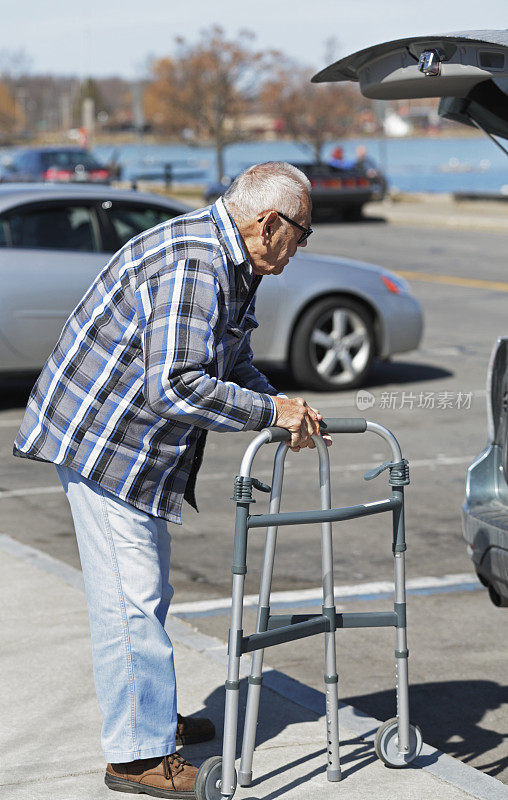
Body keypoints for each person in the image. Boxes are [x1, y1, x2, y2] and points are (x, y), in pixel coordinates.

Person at [13, 161, 330, 798]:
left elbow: (231, 360)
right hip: (104, 443)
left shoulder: (234, 263)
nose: (301, 247)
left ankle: (148, 715)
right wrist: (270, 413)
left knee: (145, 594)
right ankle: (136, 754)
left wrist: (284, 408)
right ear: (269, 224)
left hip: (132, 446)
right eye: (303, 232)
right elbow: (177, 385)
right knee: (131, 598)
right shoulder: (196, 261)